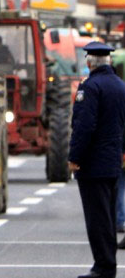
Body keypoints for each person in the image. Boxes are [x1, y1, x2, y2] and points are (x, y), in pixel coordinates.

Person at [68, 41, 125, 278]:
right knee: (108, 216)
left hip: (93, 163)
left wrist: (75, 157)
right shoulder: (120, 86)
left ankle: (103, 267)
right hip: (112, 161)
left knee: (97, 218)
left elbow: (84, 126)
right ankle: (107, 263)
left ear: (89, 62)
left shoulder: (90, 87)